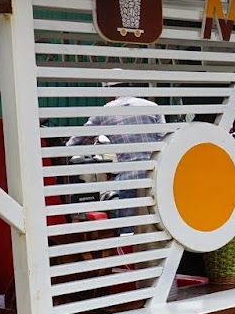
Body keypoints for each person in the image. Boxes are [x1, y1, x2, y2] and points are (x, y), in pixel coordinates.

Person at [66, 85, 167, 218]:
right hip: (157, 178)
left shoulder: (106, 111)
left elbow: (79, 139)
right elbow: (165, 140)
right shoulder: (152, 107)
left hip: (130, 180)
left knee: (127, 230)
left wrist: (65, 148)